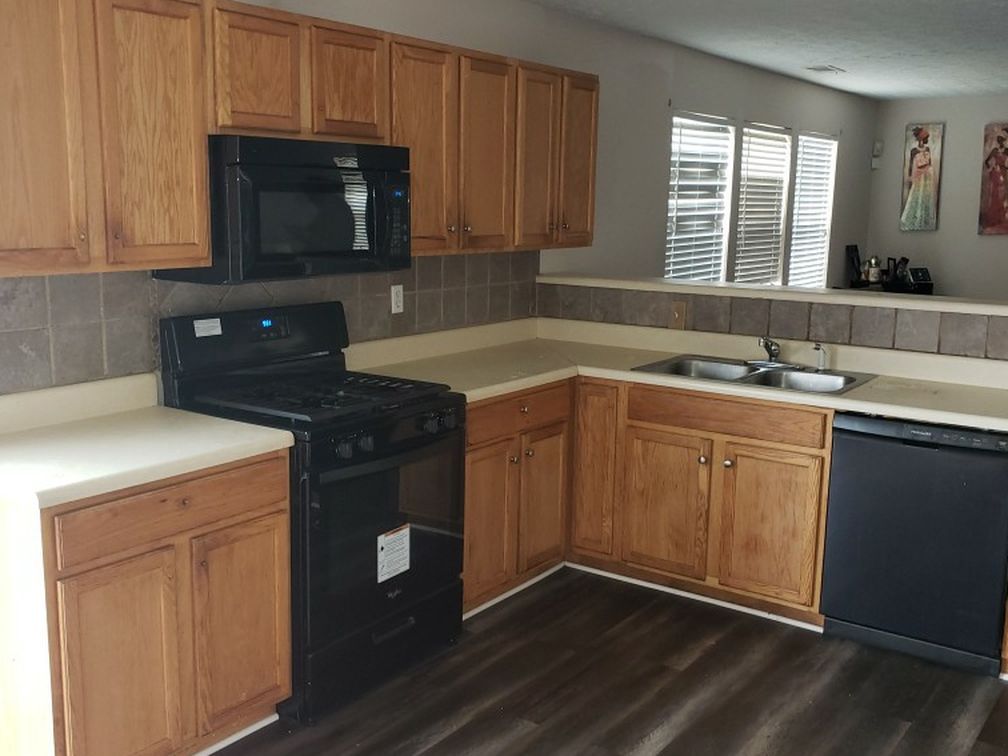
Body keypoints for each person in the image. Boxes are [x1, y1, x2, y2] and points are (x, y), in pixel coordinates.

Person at [900, 126, 937, 231]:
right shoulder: (914, 151)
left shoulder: (928, 149)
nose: (927, 140)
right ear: (921, 138)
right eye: (926, 138)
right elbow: (911, 166)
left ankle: (925, 220)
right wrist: (911, 177)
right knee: (917, 197)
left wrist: (928, 170)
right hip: (918, 177)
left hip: (927, 177)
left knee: (926, 197)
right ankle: (915, 219)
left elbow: (929, 163)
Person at [981, 131, 1008, 232]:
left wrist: (1005, 167)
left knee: (1003, 194)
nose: (999, 140)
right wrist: (991, 168)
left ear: (1004, 140)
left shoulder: (1006, 151)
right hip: (995, 173)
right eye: (998, 139)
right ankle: (994, 218)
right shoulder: (995, 150)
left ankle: (1002, 217)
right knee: (995, 194)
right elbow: (987, 161)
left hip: (1004, 173)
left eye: (1000, 139)